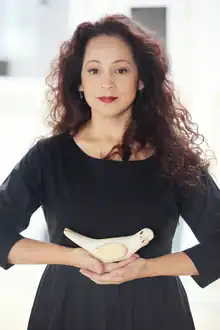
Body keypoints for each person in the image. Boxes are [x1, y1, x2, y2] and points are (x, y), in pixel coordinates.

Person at [0, 13, 220, 330]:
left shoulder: (174, 160)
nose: (107, 82)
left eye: (120, 69)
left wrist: (147, 268)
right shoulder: (48, 157)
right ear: (79, 82)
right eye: (94, 70)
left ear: (141, 79)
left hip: (156, 313)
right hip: (66, 310)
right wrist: (72, 257)